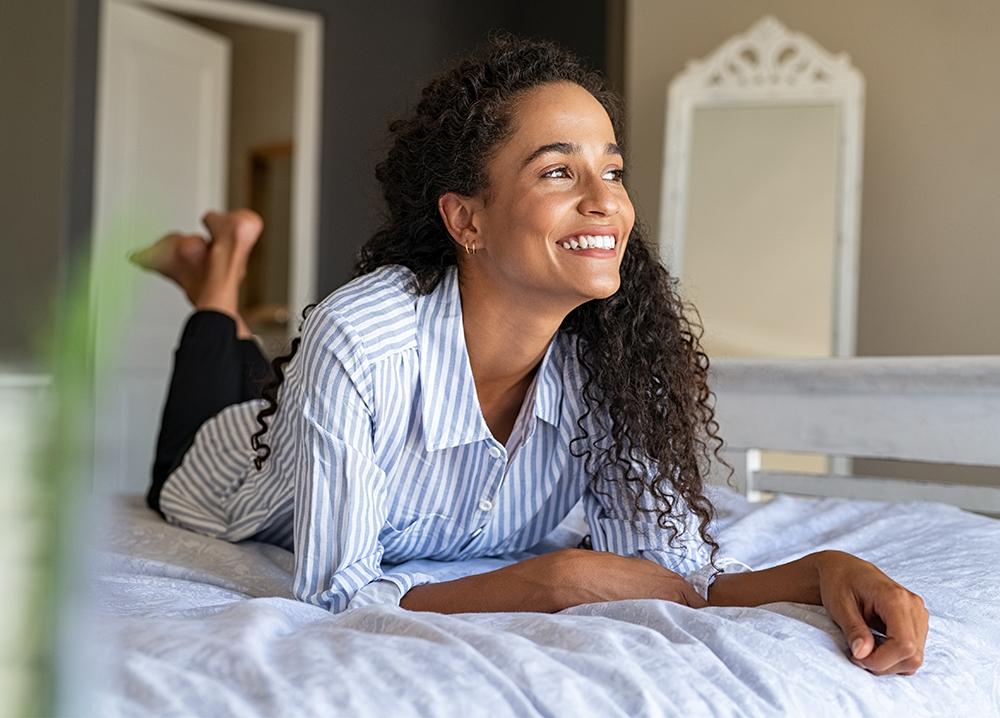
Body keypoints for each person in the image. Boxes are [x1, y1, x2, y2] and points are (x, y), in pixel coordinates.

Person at [133, 35, 927, 676]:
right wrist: (553, 580)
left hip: (299, 401)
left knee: (249, 366)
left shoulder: (616, 360)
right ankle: (215, 283)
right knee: (212, 405)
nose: (606, 199)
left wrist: (827, 570)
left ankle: (216, 274)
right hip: (233, 462)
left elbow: (673, 574)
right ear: (466, 219)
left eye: (612, 169)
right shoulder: (360, 336)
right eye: (558, 170)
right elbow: (337, 594)